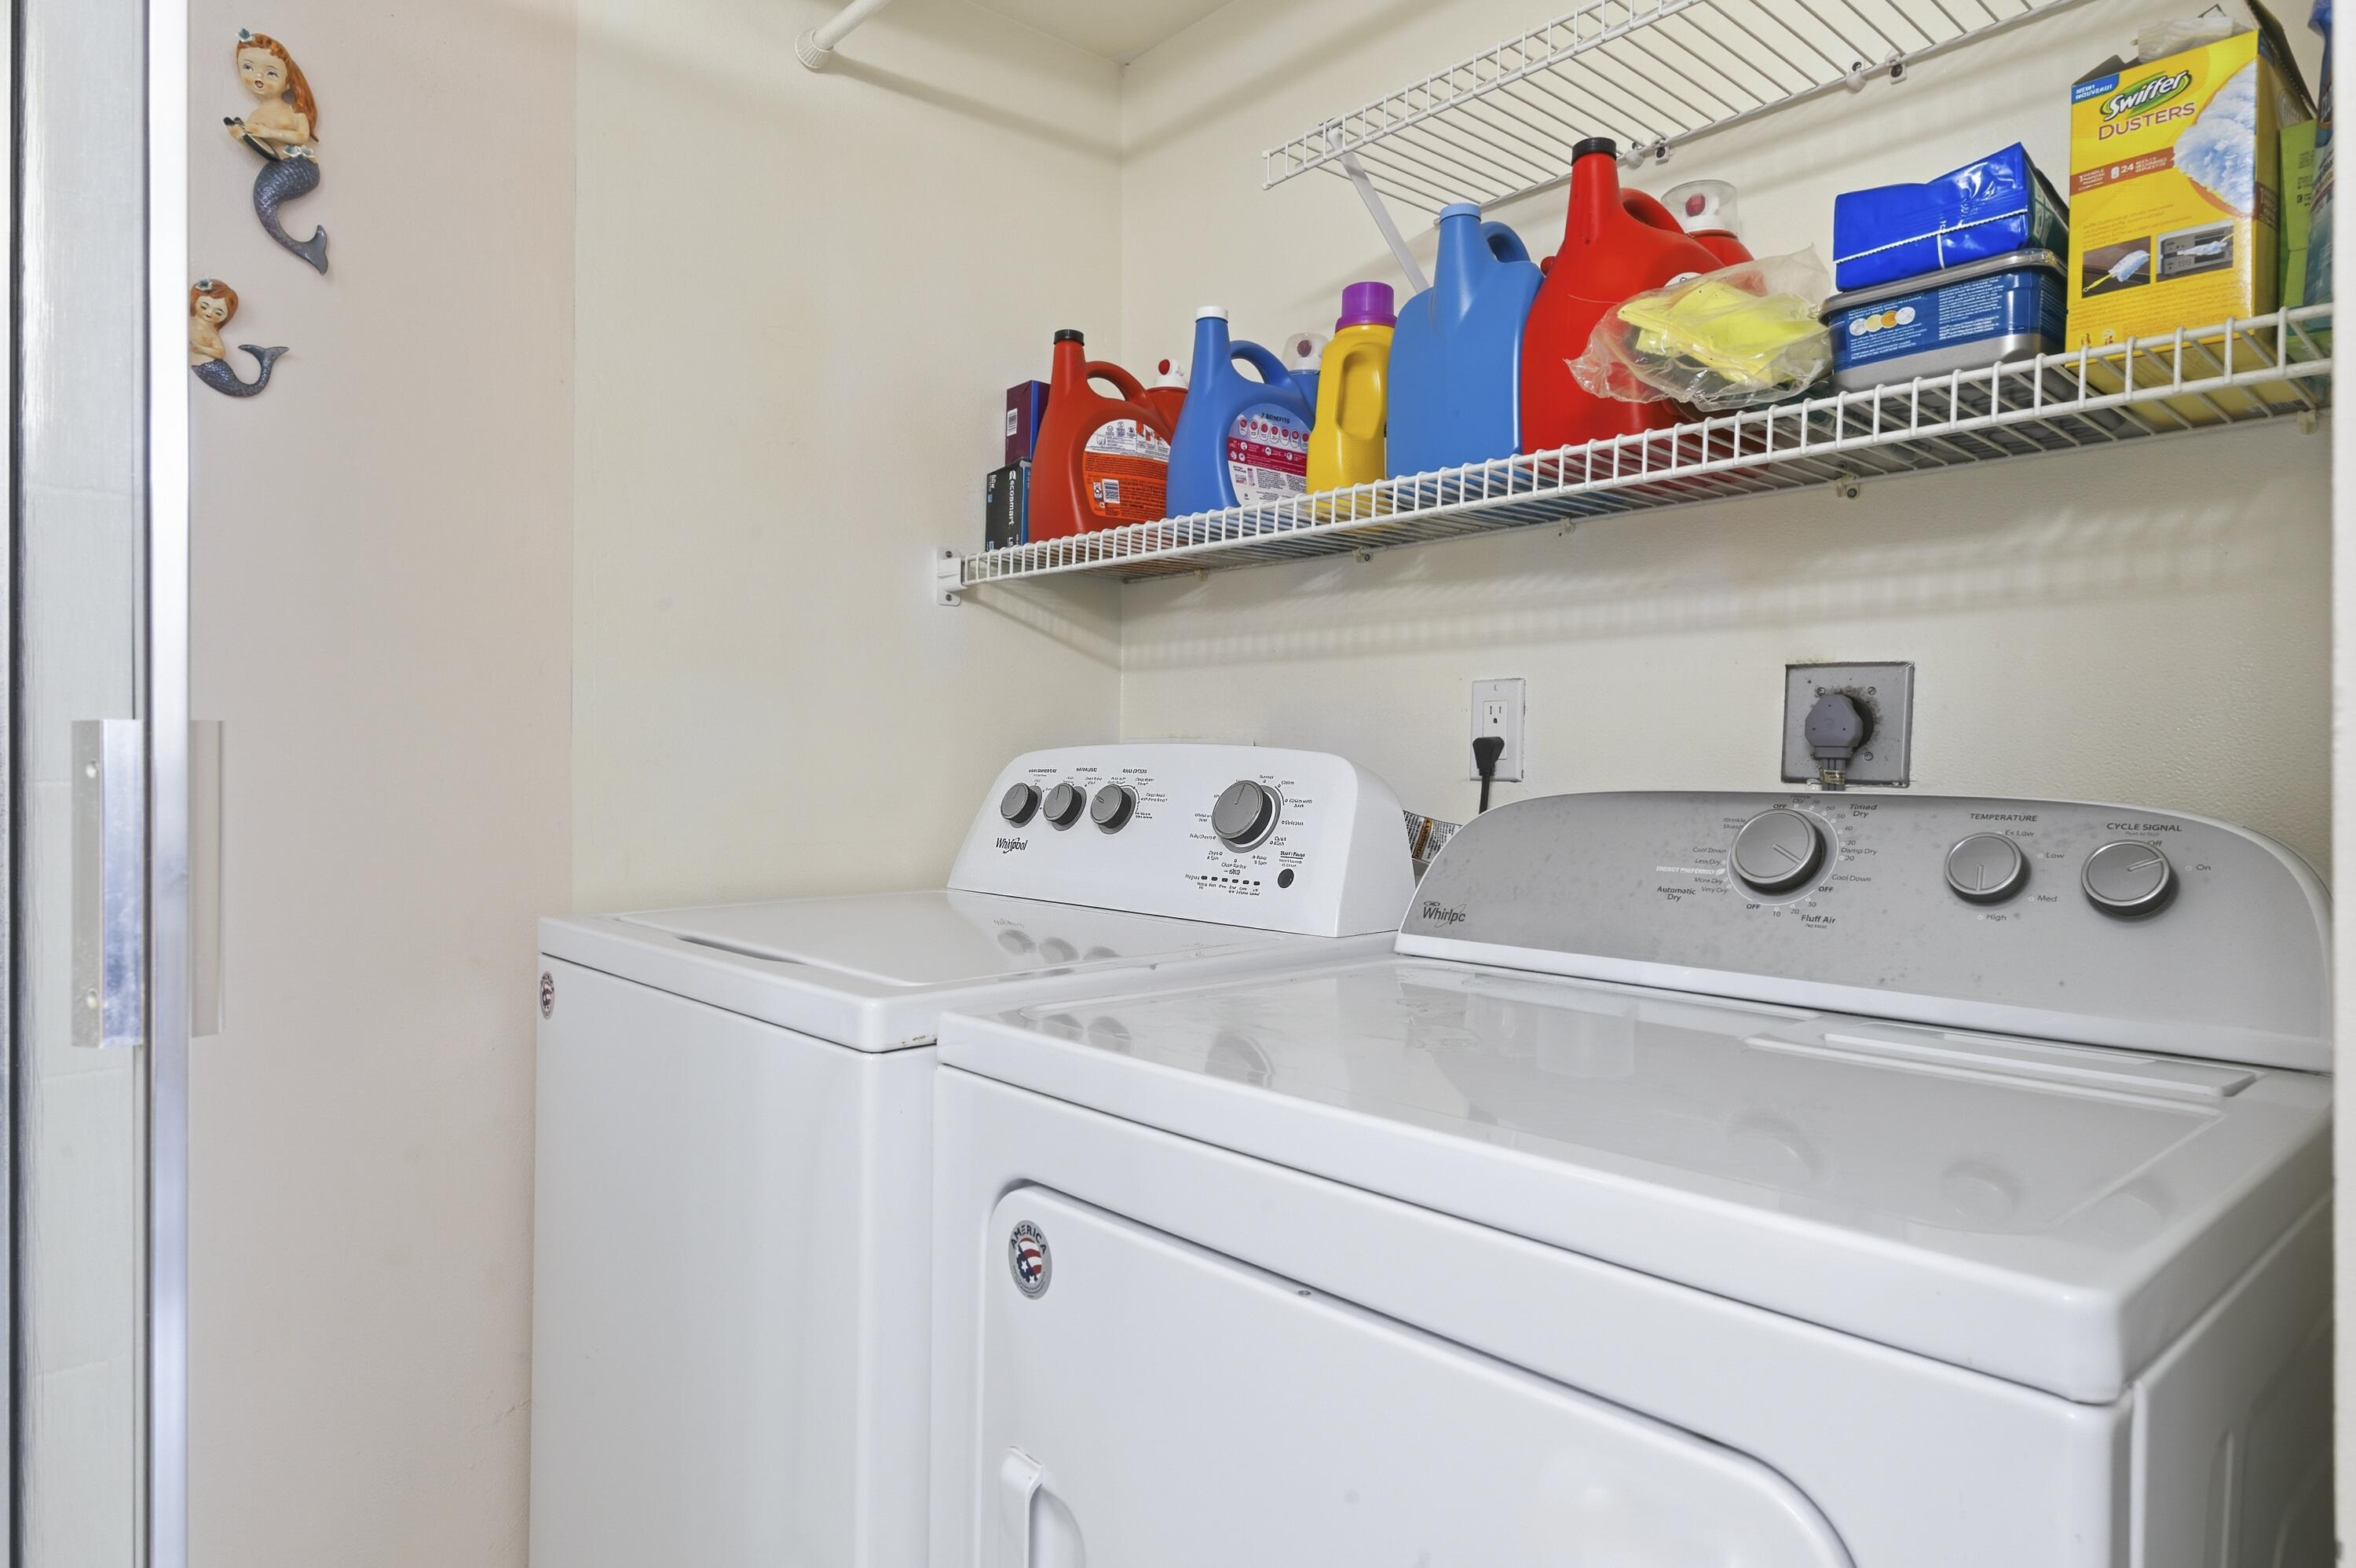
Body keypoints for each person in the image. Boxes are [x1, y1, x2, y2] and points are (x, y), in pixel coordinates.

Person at [226, 30, 329, 272]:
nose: (258, 77)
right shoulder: (256, 117)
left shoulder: (295, 111)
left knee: (264, 199)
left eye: (271, 72)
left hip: (302, 168)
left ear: (288, 81)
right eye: (248, 68)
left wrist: (267, 132)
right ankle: (307, 249)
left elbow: (301, 137)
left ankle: (307, 248)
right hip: (279, 165)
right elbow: (267, 153)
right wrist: (244, 137)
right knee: (262, 201)